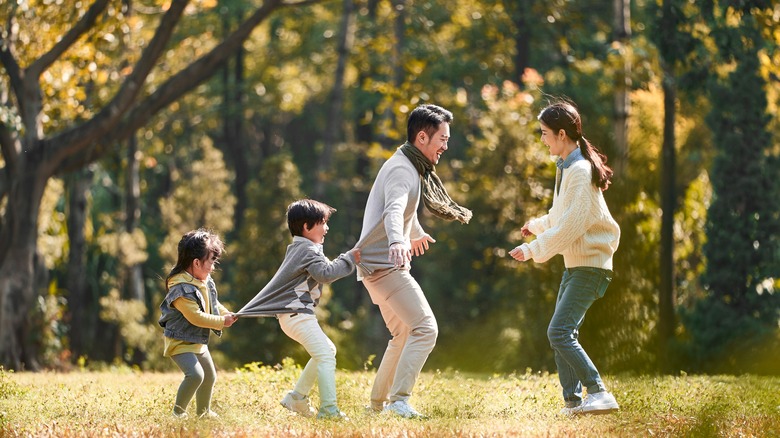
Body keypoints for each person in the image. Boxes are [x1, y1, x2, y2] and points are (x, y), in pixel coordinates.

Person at [356, 104, 472, 418]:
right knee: (425, 329)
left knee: (403, 334)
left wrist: (415, 231)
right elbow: (392, 210)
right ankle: (399, 401)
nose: (446, 146)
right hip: (385, 267)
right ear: (422, 137)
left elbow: (403, 208)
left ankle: (378, 405)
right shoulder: (402, 170)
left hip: (373, 267)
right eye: (442, 139)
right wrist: (397, 240)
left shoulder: (407, 164)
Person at [508, 100, 621, 416]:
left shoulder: (580, 170)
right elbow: (561, 215)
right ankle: (573, 403)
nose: (542, 139)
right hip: (577, 266)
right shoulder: (571, 168)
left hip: (591, 267)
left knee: (558, 332)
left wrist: (533, 249)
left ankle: (599, 392)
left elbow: (573, 224)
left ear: (561, 134)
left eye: (545, 133)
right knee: (563, 335)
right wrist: (535, 226)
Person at [237, 199, 360, 420]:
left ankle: (297, 398)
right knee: (326, 357)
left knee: (327, 351)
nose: (327, 228)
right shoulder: (306, 250)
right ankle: (329, 410)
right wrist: (348, 259)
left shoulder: (302, 248)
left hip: (295, 316)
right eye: (323, 222)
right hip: (298, 316)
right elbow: (326, 273)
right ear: (306, 226)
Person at [158, 228, 238, 419]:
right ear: (196, 262)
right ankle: (177, 414)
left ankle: (203, 412)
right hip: (180, 342)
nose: (213, 267)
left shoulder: (204, 280)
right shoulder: (181, 289)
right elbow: (196, 316)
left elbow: (212, 302)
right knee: (195, 376)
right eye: (211, 261)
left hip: (197, 341)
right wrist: (221, 321)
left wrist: (225, 313)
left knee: (209, 376)